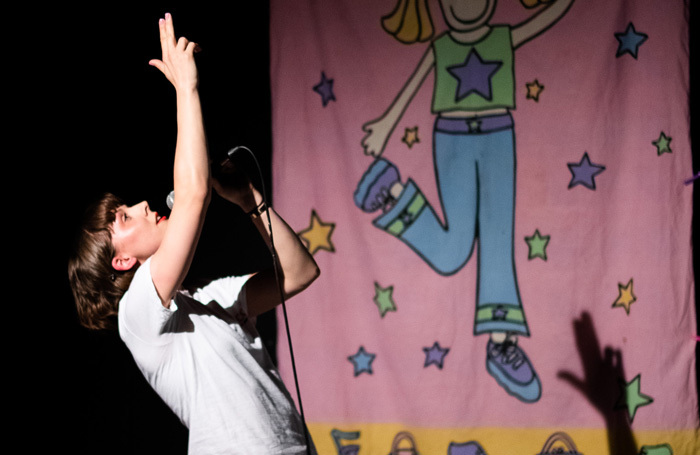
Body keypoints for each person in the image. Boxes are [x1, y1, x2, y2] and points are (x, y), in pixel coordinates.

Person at [68, 14, 319, 454]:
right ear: (122, 261)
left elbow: (299, 274)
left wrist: (250, 201)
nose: (144, 206)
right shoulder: (136, 314)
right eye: (125, 219)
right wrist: (186, 87)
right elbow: (193, 195)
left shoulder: (215, 297)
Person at [355, 0, 573, 403]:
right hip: (451, 138)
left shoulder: (503, 38)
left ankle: (501, 341)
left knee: (497, 241)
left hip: (497, 136)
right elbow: (412, 87)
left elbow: (546, 18)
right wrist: (385, 125)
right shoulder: (441, 47)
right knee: (452, 252)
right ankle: (393, 193)